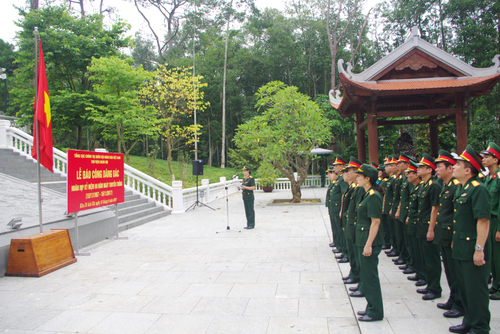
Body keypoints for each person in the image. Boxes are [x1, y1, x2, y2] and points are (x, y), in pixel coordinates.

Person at [450, 145, 491, 334]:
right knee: (465, 287)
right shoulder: (462, 188)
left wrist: (479, 248)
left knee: (476, 289)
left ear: (468, 170)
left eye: (457, 164)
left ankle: (480, 326)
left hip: (472, 247)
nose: (454, 167)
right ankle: (469, 320)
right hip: (460, 246)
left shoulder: (478, 190)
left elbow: (483, 222)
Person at [433, 150, 464, 318]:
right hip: (443, 233)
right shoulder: (445, 185)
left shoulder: (455, 186)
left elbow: (456, 214)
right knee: (449, 271)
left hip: (451, 234)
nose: (436, 169)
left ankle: (459, 303)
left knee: (455, 271)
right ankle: (453, 298)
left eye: (439, 167)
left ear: (449, 168)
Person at [354, 164, 384, 322]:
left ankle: (375, 311)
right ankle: (371, 306)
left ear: (367, 179)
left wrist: (368, 244)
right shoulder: (367, 194)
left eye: (360, 176)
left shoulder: (373, 196)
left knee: (370, 276)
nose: (356, 178)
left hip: (368, 240)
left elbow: (376, 222)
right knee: (365, 276)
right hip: (362, 238)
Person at [416, 153, 442, 300]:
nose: (418, 169)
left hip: (428, 226)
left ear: (429, 170)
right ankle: (429, 283)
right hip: (422, 225)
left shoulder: (434, 186)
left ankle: (435, 288)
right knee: (426, 257)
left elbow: (435, 208)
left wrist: (431, 229)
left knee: (432, 259)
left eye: (422, 167)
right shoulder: (423, 185)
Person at [480, 143, 500, 301]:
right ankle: (495, 284)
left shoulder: (498, 178)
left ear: (496, 159)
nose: (483, 159)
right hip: (489, 221)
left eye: (487, 157)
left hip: (496, 221)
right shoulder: (488, 178)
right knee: (492, 255)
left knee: (498, 255)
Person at [342, 157, 365, 291]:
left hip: (356, 224)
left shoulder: (359, 189)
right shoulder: (353, 187)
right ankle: (354, 273)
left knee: (357, 254)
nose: (347, 173)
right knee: (352, 251)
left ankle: (357, 276)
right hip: (350, 222)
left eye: (349, 171)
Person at [331, 155, 349, 263]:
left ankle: (345, 252)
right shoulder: (340, 178)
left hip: (339, 208)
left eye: (336, 166)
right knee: (339, 229)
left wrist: (342, 209)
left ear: (342, 166)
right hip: (336, 207)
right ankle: (343, 250)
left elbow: (344, 195)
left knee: (342, 231)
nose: (334, 168)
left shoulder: (342, 179)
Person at [326, 167, 339, 248]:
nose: (328, 175)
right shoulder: (333, 183)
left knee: (337, 226)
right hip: (332, 207)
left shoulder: (338, 183)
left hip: (336, 208)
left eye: (331, 173)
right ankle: (336, 240)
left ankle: (339, 243)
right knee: (334, 225)